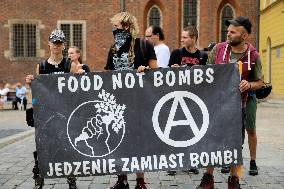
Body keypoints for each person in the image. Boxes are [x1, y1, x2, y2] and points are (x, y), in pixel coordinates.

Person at [196, 16, 263, 189]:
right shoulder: (218, 49)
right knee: (212, 140)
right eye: (228, 31)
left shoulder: (253, 55)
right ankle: (208, 178)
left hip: (239, 105)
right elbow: (206, 73)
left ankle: (234, 180)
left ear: (244, 36)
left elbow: (260, 82)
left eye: (233, 32)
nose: (228, 34)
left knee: (235, 142)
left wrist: (249, 84)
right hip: (216, 104)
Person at [105, 12, 158, 189]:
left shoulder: (144, 45)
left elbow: (156, 73)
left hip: (139, 102)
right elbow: (107, 75)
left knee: (138, 141)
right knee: (119, 140)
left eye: (117, 27)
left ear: (127, 27)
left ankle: (140, 180)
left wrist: (145, 71)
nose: (114, 30)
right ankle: (122, 179)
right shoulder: (113, 48)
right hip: (118, 103)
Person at [26, 29, 79, 189]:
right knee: (42, 146)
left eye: (59, 43)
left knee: (67, 146)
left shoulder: (71, 65)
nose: (56, 45)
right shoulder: (41, 66)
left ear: (63, 45)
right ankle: (39, 178)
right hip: (46, 113)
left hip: (64, 113)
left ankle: (71, 179)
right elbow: (37, 93)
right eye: (54, 42)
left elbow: (77, 91)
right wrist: (31, 84)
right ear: (49, 44)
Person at [167, 26, 207, 176]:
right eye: (182, 37)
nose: (182, 40)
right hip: (177, 97)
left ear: (194, 38)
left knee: (191, 131)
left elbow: (206, 78)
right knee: (175, 131)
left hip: (194, 99)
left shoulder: (202, 56)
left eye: (185, 37)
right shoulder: (176, 53)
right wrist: (172, 70)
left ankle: (190, 162)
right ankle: (173, 163)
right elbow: (166, 75)